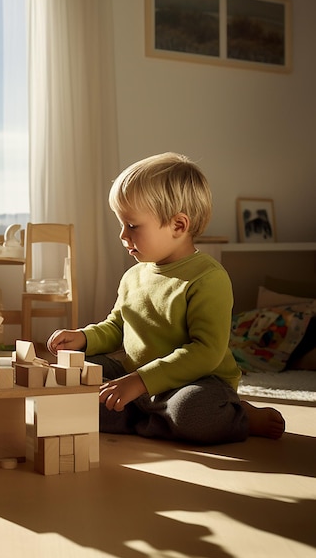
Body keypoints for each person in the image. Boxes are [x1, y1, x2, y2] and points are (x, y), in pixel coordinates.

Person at [47, 152, 285, 444]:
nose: (123, 235)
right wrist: (82, 338)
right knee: (75, 372)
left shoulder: (208, 277)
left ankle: (240, 416)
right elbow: (117, 328)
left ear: (178, 226)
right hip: (137, 377)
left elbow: (206, 352)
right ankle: (149, 416)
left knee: (192, 412)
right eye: (121, 224)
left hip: (194, 383)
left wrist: (139, 382)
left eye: (132, 225)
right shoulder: (133, 276)